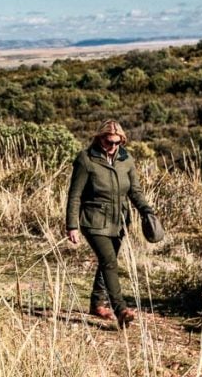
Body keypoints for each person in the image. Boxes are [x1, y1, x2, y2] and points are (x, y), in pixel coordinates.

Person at [65, 119, 155, 328]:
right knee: (109, 262)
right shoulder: (86, 159)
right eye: (108, 142)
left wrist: (146, 211)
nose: (113, 146)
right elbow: (75, 195)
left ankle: (97, 303)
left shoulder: (126, 160)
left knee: (109, 260)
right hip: (93, 220)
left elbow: (135, 191)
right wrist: (72, 225)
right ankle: (120, 309)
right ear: (99, 139)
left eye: (117, 142)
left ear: (122, 141)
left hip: (119, 221)